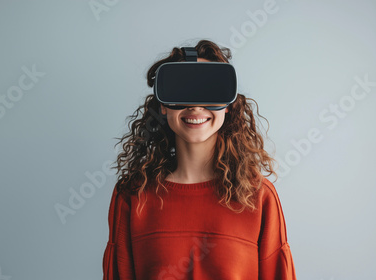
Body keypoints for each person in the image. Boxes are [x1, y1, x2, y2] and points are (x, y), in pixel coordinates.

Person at [102, 39, 297, 280]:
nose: (195, 106)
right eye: (182, 90)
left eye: (208, 91)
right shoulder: (133, 195)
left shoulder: (258, 197)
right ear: (163, 106)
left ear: (227, 106)